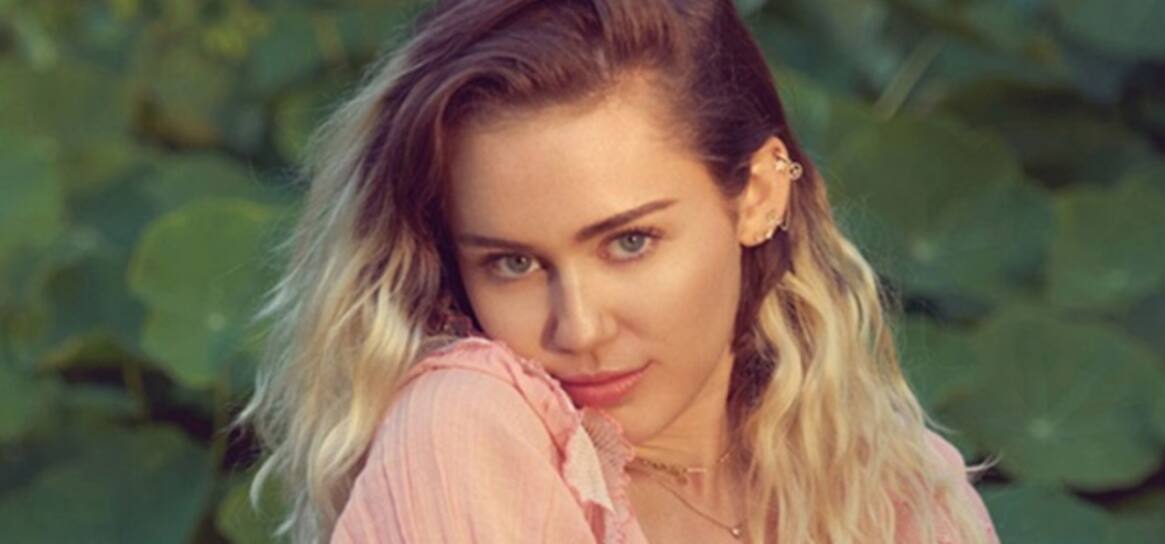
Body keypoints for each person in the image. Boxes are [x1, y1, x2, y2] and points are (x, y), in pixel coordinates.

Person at [236, 0, 999, 542]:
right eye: (512, 263)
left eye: (629, 242)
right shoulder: (465, 431)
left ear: (761, 195)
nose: (579, 328)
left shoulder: (898, 490)